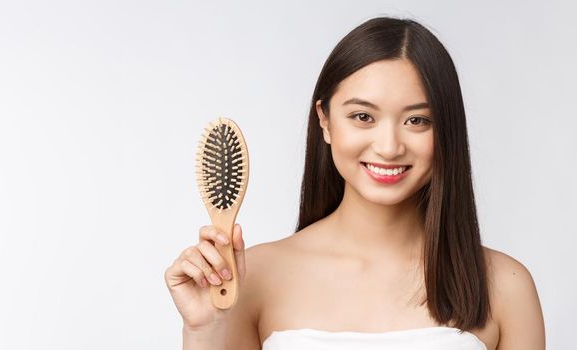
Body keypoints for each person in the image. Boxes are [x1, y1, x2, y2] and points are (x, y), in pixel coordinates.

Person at [164, 16, 545, 350]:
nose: (389, 146)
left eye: (417, 121)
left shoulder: (505, 286)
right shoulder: (255, 277)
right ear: (325, 121)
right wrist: (203, 331)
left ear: (446, 130)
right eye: (363, 116)